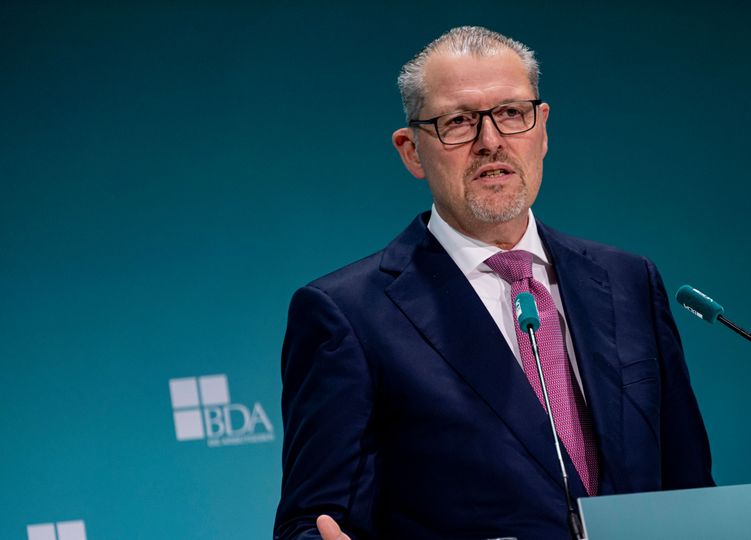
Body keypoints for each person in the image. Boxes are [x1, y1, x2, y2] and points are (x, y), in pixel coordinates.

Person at [274, 26, 713, 540]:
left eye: (511, 113)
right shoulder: (348, 314)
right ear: (411, 151)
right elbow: (312, 521)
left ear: (542, 128)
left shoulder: (628, 281)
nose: (491, 141)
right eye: (458, 121)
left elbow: (692, 493)